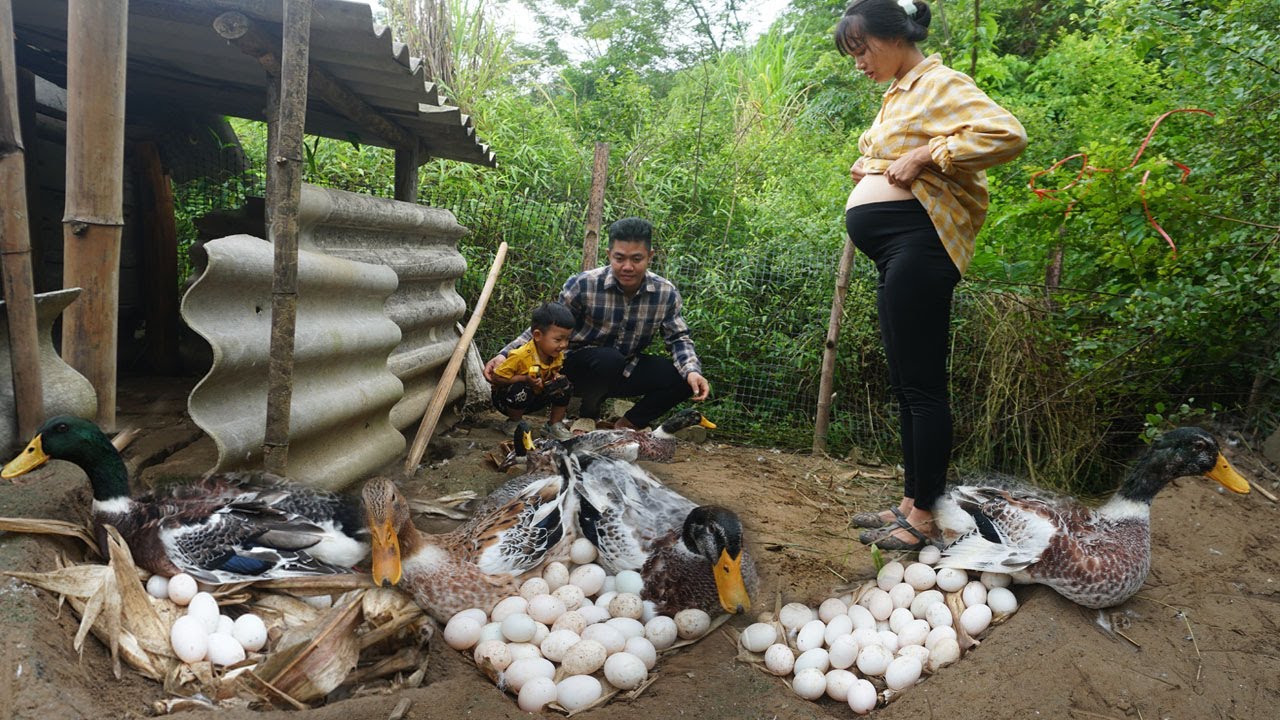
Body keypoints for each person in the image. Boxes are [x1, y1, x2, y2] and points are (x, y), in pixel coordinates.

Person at [836, 0, 1027, 550]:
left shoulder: (940, 82)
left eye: (862, 50)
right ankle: (910, 502)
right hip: (895, 250)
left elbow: (1007, 135)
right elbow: (895, 161)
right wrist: (873, 167)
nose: (859, 63)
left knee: (922, 387)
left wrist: (925, 155)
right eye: (853, 55)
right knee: (905, 384)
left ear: (895, 37)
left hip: (921, 245)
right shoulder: (897, 93)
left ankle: (924, 518)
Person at [484, 217, 710, 431]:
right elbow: (547, 327)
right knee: (608, 359)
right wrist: (505, 355)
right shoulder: (584, 284)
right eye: (619, 258)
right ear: (609, 254)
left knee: (684, 377)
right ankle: (587, 416)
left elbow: (678, 338)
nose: (627, 266)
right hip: (576, 369)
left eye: (636, 259)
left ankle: (628, 423)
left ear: (650, 256)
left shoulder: (665, 293)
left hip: (624, 368)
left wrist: (692, 371)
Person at [490, 302, 576, 440]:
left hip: (536, 395)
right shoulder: (520, 356)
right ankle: (514, 422)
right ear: (537, 335)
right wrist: (524, 378)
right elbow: (496, 378)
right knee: (522, 387)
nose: (564, 345)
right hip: (507, 401)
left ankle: (554, 424)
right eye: (558, 340)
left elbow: (555, 372)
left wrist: (555, 377)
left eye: (567, 339)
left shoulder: (557, 354)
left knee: (563, 384)